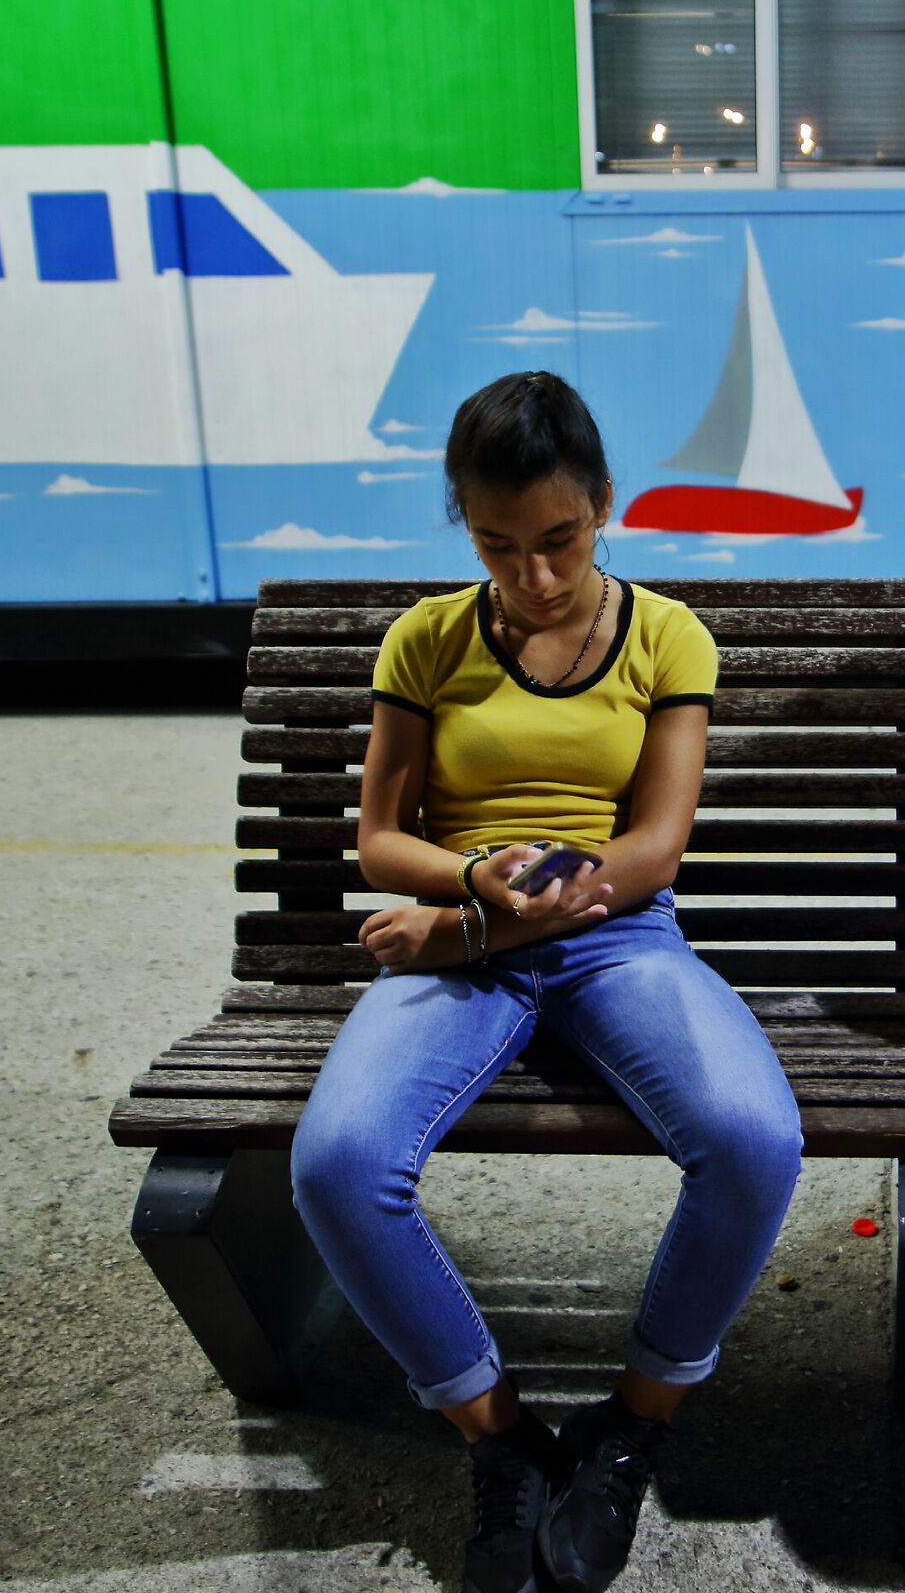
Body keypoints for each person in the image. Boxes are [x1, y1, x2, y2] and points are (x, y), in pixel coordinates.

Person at [289, 371, 803, 1593]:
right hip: (472, 916)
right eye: (498, 546)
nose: (532, 576)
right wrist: (474, 883)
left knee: (753, 1138)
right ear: (465, 527)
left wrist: (466, 936)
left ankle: (633, 1423)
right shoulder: (425, 636)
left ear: (605, 504)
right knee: (339, 1165)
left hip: (613, 932)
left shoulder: (669, 634)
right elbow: (380, 840)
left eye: (560, 540)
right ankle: (503, 1436)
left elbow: (653, 849)